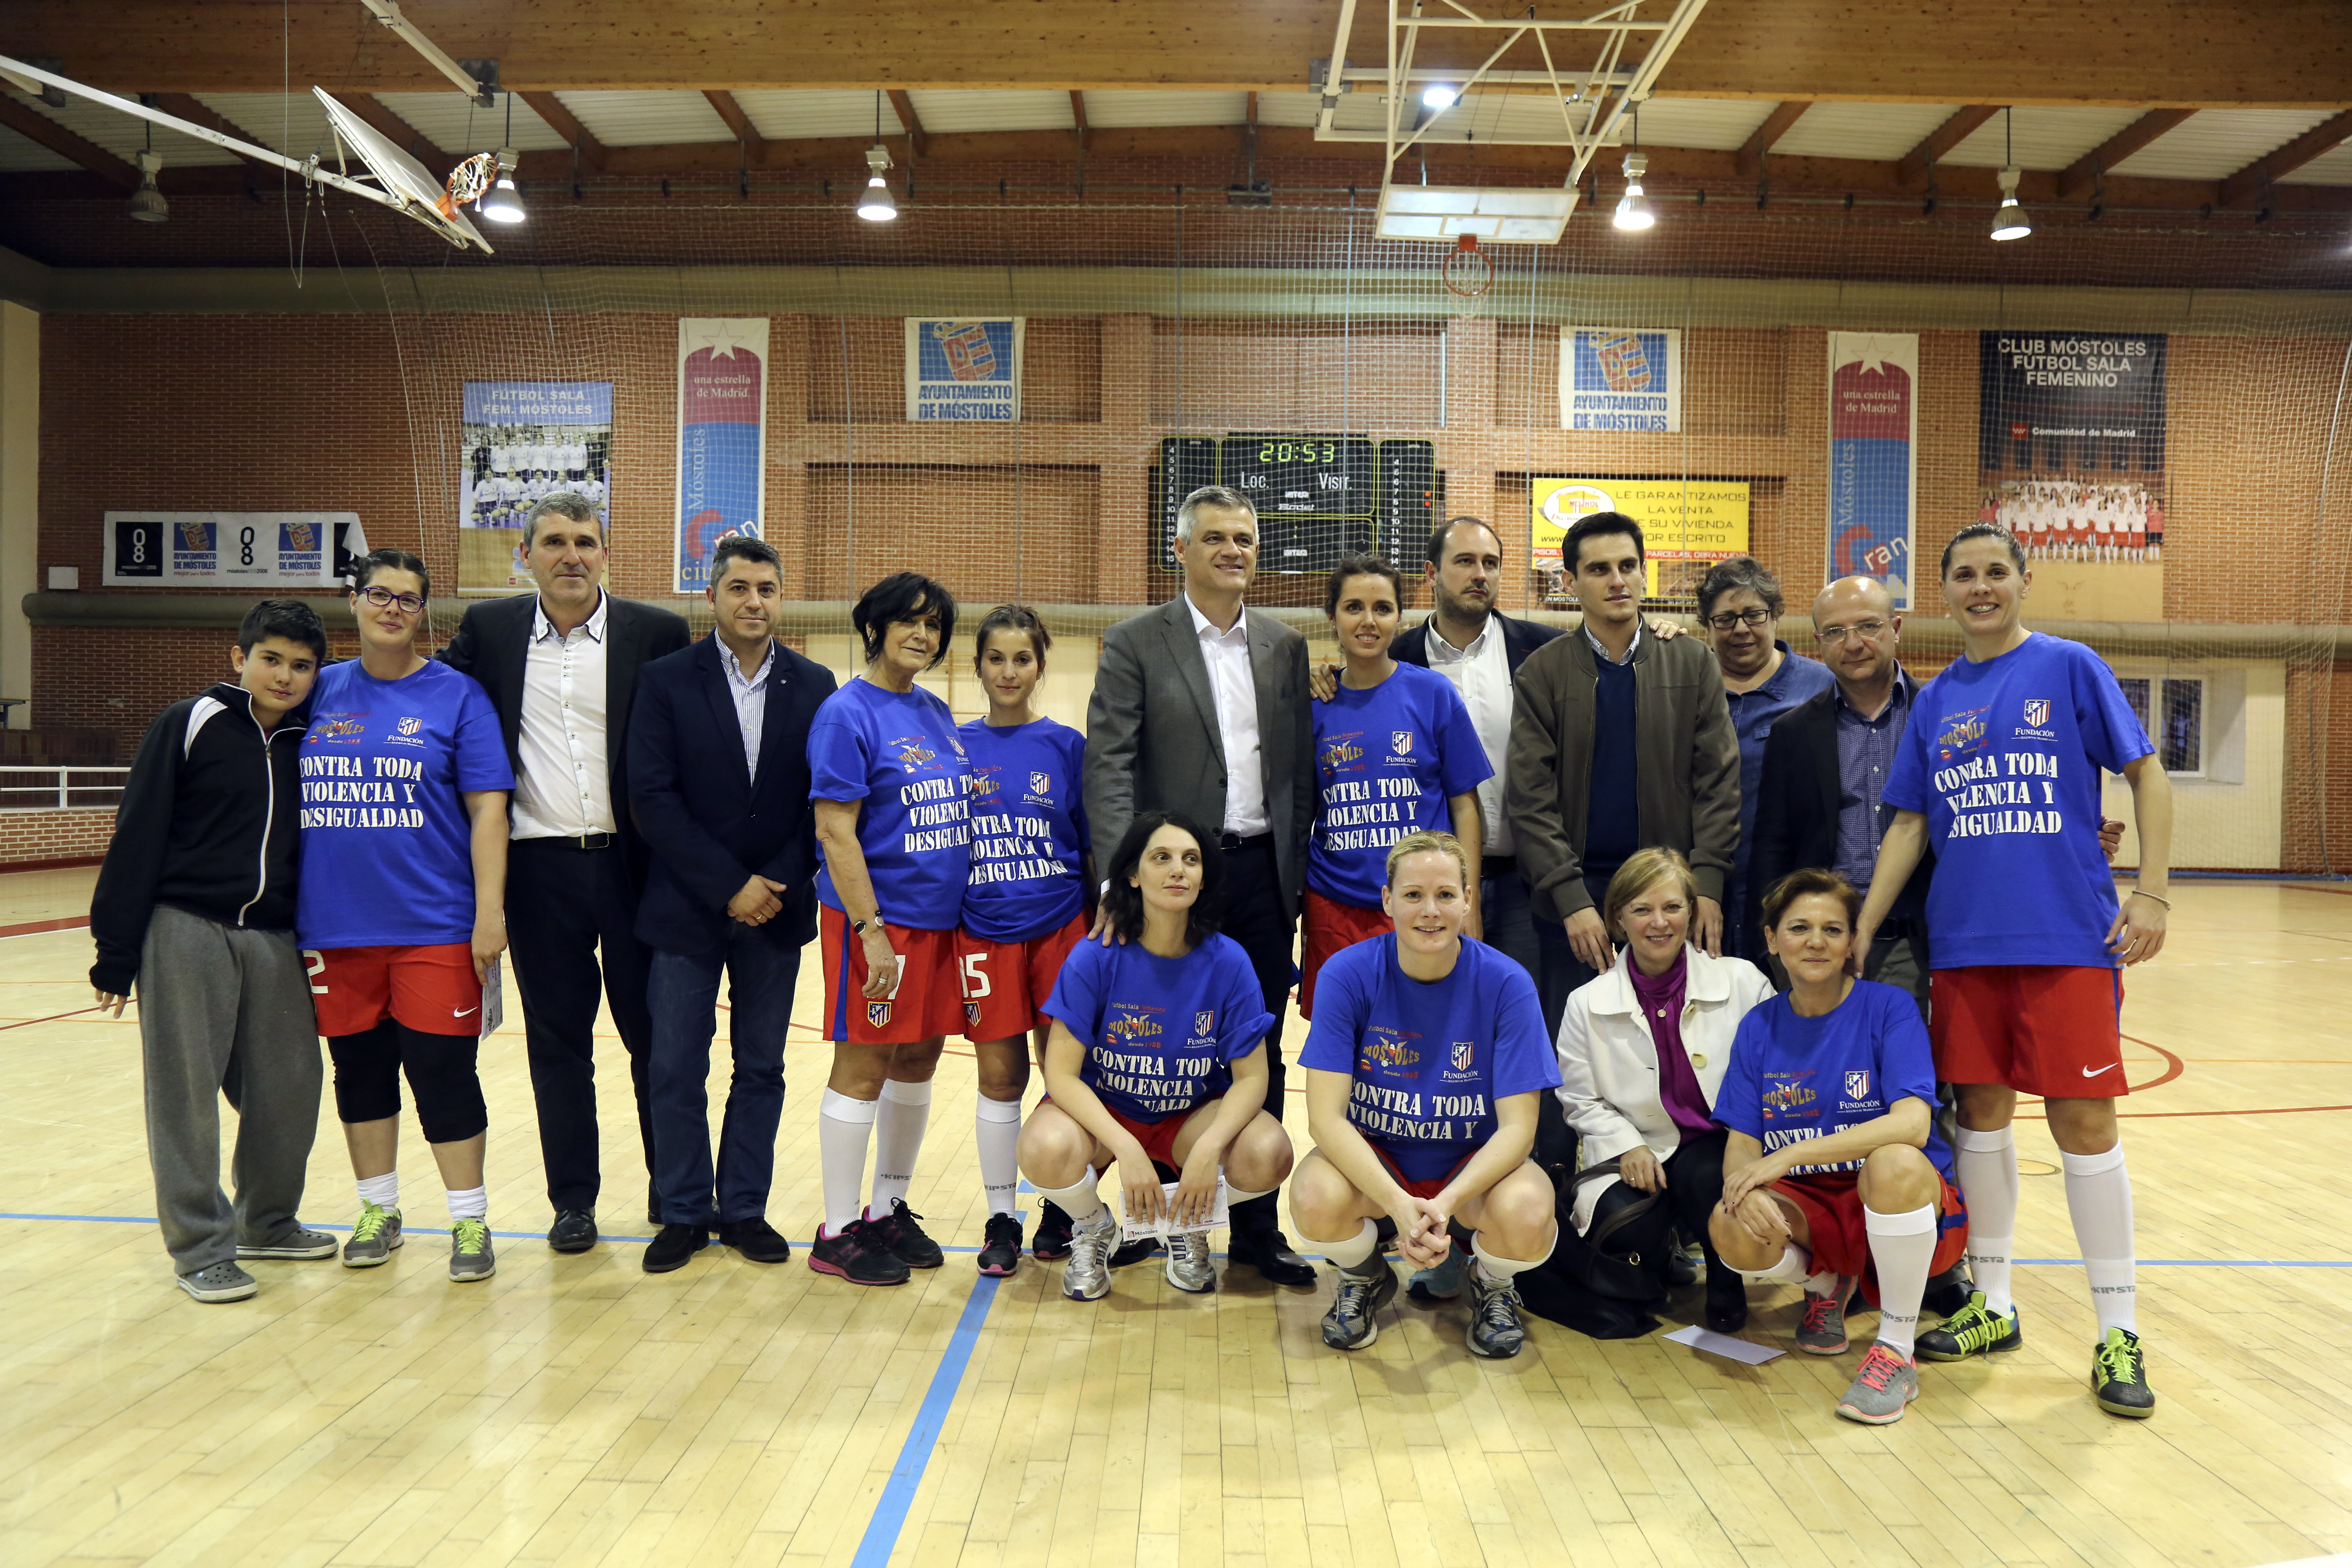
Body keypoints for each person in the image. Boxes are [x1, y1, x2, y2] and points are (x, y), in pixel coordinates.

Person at [1859, 521, 2172, 1419]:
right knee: (1983, 1122)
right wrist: (1865, 926)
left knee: (2085, 1126)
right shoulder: (1937, 700)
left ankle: (2119, 1329)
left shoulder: (2069, 666)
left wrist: (2152, 892)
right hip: (1966, 947)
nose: (1981, 587)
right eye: (1964, 574)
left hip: (2069, 941)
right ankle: (1994, 1304)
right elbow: (1911, 823)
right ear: (1944, 592)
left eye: (1996, 571)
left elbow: (2148, 775)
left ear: (2024, 581)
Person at [437, 492, 690, 1253]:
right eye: (554, 542)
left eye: (585, 541)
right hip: (539, 872)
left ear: (605, 554)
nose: (571, 555)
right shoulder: (490, 630)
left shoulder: (658, 632)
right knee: (559, 1046)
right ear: (526, 556)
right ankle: (573, 1201)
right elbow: (424, 690)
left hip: (638, 869)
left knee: (658, 1041)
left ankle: (675, 1189)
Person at [1085, 483, 1317, 1287]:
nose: (1232, 551)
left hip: (1261, 875)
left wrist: (1295, 877)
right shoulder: (1134, 642)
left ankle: (1256, 1229)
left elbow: (1297, 773)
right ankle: (1144, 1217)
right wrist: (1121, 882)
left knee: (1259, 1046)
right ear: (1180, 549)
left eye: (1244, 539)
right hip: (1171, 877)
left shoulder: (1286, 646)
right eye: (1215, 538)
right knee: (1151, 1042)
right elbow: (1109, 770)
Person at [89, 599, 335, 1303]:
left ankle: (268, 1221)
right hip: (185, 928)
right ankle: (200, 1249)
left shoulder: (311, 740)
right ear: (239, 658)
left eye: (301, 666)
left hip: (277, 937)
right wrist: (116, 951)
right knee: (185, 1097)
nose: (284, 677)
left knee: (291, 1088)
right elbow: (139, 833)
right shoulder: (190, 723)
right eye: (271, 660)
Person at [300, 549, 513, 1283]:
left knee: (442, 1074)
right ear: (354, 601)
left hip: (435, 924)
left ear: (424, 612)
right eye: (379, 594)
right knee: (359, 1073)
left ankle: (469, 1220)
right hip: (334, 927)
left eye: (408, 599)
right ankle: (379, 1210)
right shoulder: (317, 690)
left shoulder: (458, 697)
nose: (392, 609)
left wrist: (490, 914)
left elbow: (489, 812)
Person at [626, 536, 836, 1274]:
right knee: (675, 1069)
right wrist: (728, 886)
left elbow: (823, 802)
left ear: (781, 599)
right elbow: (652, 798)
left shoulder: (816, 685)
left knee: (762, 1068)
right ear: (712, 596)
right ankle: (684, 1211)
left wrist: (771, 882)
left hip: (776, 909)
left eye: (767, 589)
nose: (754, 602)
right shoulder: (666, 681)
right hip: (686, 907)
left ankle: (745, 1208)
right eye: (740, 588)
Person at [1709, 869, 1970, 1425]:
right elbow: (1742, 1141)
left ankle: (1895, 1351)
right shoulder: (1759, 1026)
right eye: (1799, 928)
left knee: (1895, 1162)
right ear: (1772, 939)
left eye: (1833, 929)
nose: (1816, 942)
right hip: (1813, 1209)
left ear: (1852, 942)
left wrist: (1789, 1156)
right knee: (1729, 1221)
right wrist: (1743, 1187)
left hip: (1898, 1202)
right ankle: (1826, 1283)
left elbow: (1913, 1125)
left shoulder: (1890, 1007)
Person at [1290, 831, 1563, 1358]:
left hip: (1472, 1170)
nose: (1430, 910)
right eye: (1413, 895)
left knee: (1529, 1212)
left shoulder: (1508, 984)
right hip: (1381, 1164)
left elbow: (1519, 1131)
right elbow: (1325, 1119)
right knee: (1313, 1198)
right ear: (1388, 901)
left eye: (1445, 894)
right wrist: (1399, 1206)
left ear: (1468, 899)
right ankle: (1365, 1276)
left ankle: (1491, 1283)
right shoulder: (1346, 974)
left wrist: (1444, 1205)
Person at [1020, 812, 1294, 1301]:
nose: (1177, 870)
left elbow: (1253, 1078)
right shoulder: (1095, 955)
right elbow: (1060, 1075)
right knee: (1043, 1147)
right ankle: (1094, 1227)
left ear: (1204, 877)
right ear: (1133, 874)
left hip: (1188, 1115)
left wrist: (1208, 1150)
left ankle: (1187, 1224)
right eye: (1161, 858)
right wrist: (1126, 1148)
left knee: (1269, 1152)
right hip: (1108, 1110)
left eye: (1191, 860)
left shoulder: (1229, 960)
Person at [1507, 510, 1740, 1036]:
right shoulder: (1541, 673)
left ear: (1643, 573)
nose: (1617, 580)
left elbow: (1719, 785)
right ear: (1571, 583)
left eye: (1628, 566)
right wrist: (1570, 900)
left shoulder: (1692, 662)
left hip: (1669, 895)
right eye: (1599, 569)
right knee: (1576, 1050)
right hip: (1575, 900)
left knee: (1677, 1045)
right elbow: (1530, 799)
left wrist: (1706, 885)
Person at [808, 572, 974, 1287]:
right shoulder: (845, 714)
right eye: (909, 621)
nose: (923, 635)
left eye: (934, 625)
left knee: (918, 1060)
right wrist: (869, 929)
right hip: (880, 922)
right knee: (865, 1065)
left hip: (940, 925)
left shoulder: (934, 710)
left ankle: (886, 1209)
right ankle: (837, 1229)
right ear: (874, 628)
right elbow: (834, 831)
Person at [1554, 847, 1774, 1333]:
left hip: (1720, 1142)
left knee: (1707, 1175)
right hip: (1639, 1147)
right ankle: (1661, 1256)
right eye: (1642, 909)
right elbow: (1579, 1099)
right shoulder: (1584, 1003)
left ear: (1692, 912)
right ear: (1618, 918)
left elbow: (1772, 1077)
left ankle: (1726, 1277)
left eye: (1673, 907)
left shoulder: (1744, 981)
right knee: (1626, 1226)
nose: (1659, 922)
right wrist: (1626, 1144)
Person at [957, 604, 1093, 1274]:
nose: (1008, 672)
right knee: (999, 1077)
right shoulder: (955, 747)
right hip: (983, 931)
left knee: (1062, 1073)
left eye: (1022, 659)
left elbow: (1092, 846)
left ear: (1040, 667)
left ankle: (1061, 1208)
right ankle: (1001, 1217)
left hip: (1061, 928)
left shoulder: (1067, 746)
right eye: (996, 659)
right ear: (978, 666)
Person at [1302, 553, 1489, 1017]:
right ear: (1332, 617)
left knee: (1425, 1028)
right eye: (1354, 607)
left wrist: (1469, 901)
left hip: (1422, 904)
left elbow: (1465, 806)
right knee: (1342, 1034)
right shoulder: (1312, 704)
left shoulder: (1433, 694)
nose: (1369, 621)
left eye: (1382, 608)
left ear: (1399, 618)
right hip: (1335, 904)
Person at [1696, 557, 1832, 963]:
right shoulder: (1688, 688)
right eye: (1725, 619)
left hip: (1791, 890)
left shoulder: (1821, 689)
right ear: (1707, 626)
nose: (1741, 629)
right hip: (1702, 890)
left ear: (1776, 616)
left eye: (1754, 615)